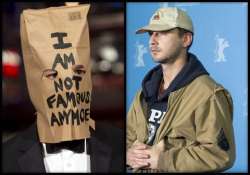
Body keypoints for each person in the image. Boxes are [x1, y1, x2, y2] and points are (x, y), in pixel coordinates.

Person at [126, 7, 235, 173]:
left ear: (186, 39)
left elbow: (220, 154)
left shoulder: (208, 94)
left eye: (162, 32)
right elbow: (127, 139)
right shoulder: (144, 92)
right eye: (151, 34)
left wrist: (163, 160)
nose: (152, 41)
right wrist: (127, 155)